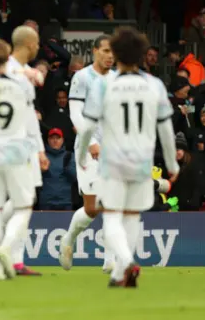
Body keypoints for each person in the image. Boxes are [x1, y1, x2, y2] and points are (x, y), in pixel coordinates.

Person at [76, 26, 178, 288]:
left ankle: (125, 261)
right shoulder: (154, 85)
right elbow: (166, 128)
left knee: (111, 216)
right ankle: (120, 272)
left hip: (113, 159)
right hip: (142, 160)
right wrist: (171, 162)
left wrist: (82, 151)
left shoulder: (104, 84)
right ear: (143, 54)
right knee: (132, 217)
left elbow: (86, 127)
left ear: (117, 54)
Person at [0, 38, 44, 281]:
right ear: (8, 58)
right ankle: (7, 248)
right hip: (16, 150)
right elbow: (30, 111)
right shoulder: (21, 83)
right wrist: (30, 72)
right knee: (24, 207)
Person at [60, 34, 115, 272]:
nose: (110, 56)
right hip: (87, 149)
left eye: (113, 52)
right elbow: (75, 113)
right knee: (93, 208)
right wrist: (90, 140)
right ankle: (68, 239)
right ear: (94, 51)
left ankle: (110, 260)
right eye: (105, 51)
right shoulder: (82, 78)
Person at [0, 25, 48, 276]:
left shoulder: (21, 72)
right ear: (30, 44)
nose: (38, 47)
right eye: (37, 43)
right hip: (13, 141)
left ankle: (17, 260)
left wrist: (39, 149)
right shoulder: (7, 71)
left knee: (24, 201)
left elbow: (30, 114)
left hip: (26, 143)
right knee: (24, 199)